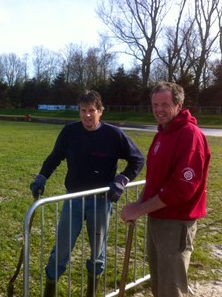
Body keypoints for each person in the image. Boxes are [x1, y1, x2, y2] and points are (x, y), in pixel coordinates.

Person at [30, 90, 145, 297]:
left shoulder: (113, 135)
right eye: (83, 110)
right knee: (61, 249)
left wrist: (122, 179)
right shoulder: (69, 132)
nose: (87, 115)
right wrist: (42, 177)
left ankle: (92, 291)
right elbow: (54, 157)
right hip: (72, 200)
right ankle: (50, 289)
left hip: (101, 202)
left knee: (97, 251)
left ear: (100, 111)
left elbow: (137, 159)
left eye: (92, 110)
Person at [120, 81, 211, 297]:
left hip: (176, 222)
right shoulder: (162, 134)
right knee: (160, 285)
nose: (158, 110)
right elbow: (155, 180)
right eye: (154, 105)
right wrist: (139, 205)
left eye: (164, 104)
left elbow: (180, 188)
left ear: (178, 105)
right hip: (158, 219)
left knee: (172, 288)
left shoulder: (190, 135)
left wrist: (139, 210)